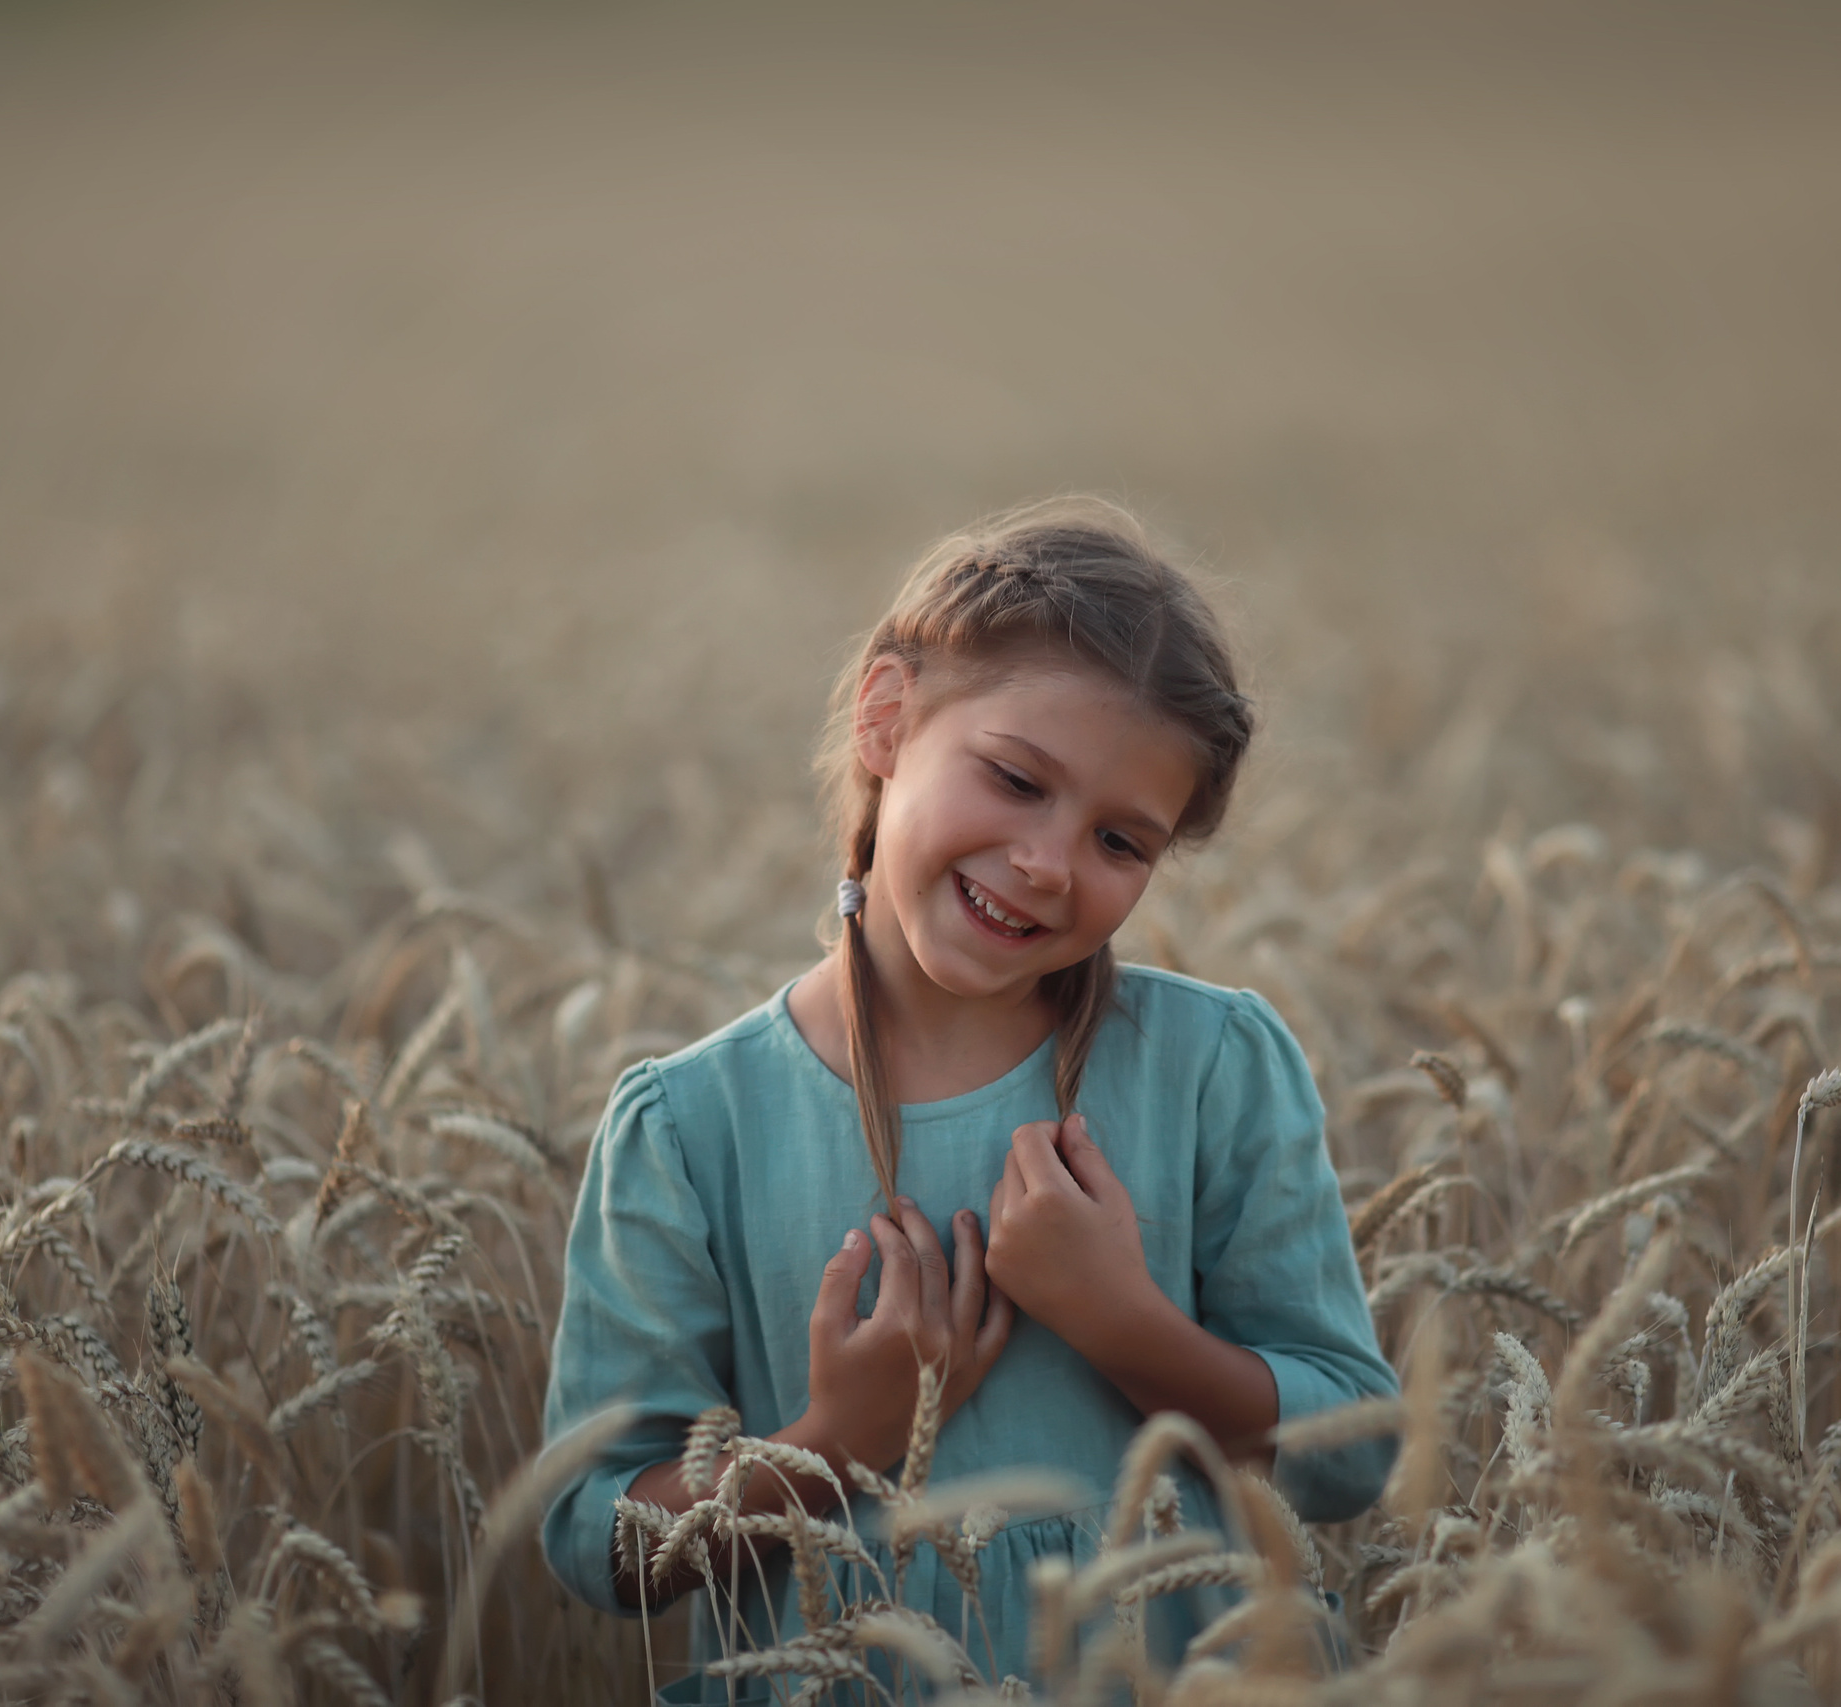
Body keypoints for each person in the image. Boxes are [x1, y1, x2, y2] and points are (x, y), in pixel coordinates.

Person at [540, 499, 1399, 1700]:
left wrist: (1120, 1319)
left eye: (1120, 842)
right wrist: (834, 1439)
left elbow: (1353, 1453)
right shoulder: (692, 1129)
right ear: (887, 718)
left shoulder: (1212, 1068)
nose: (1049, 862)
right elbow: (595, 1540)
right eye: (1014, 780)